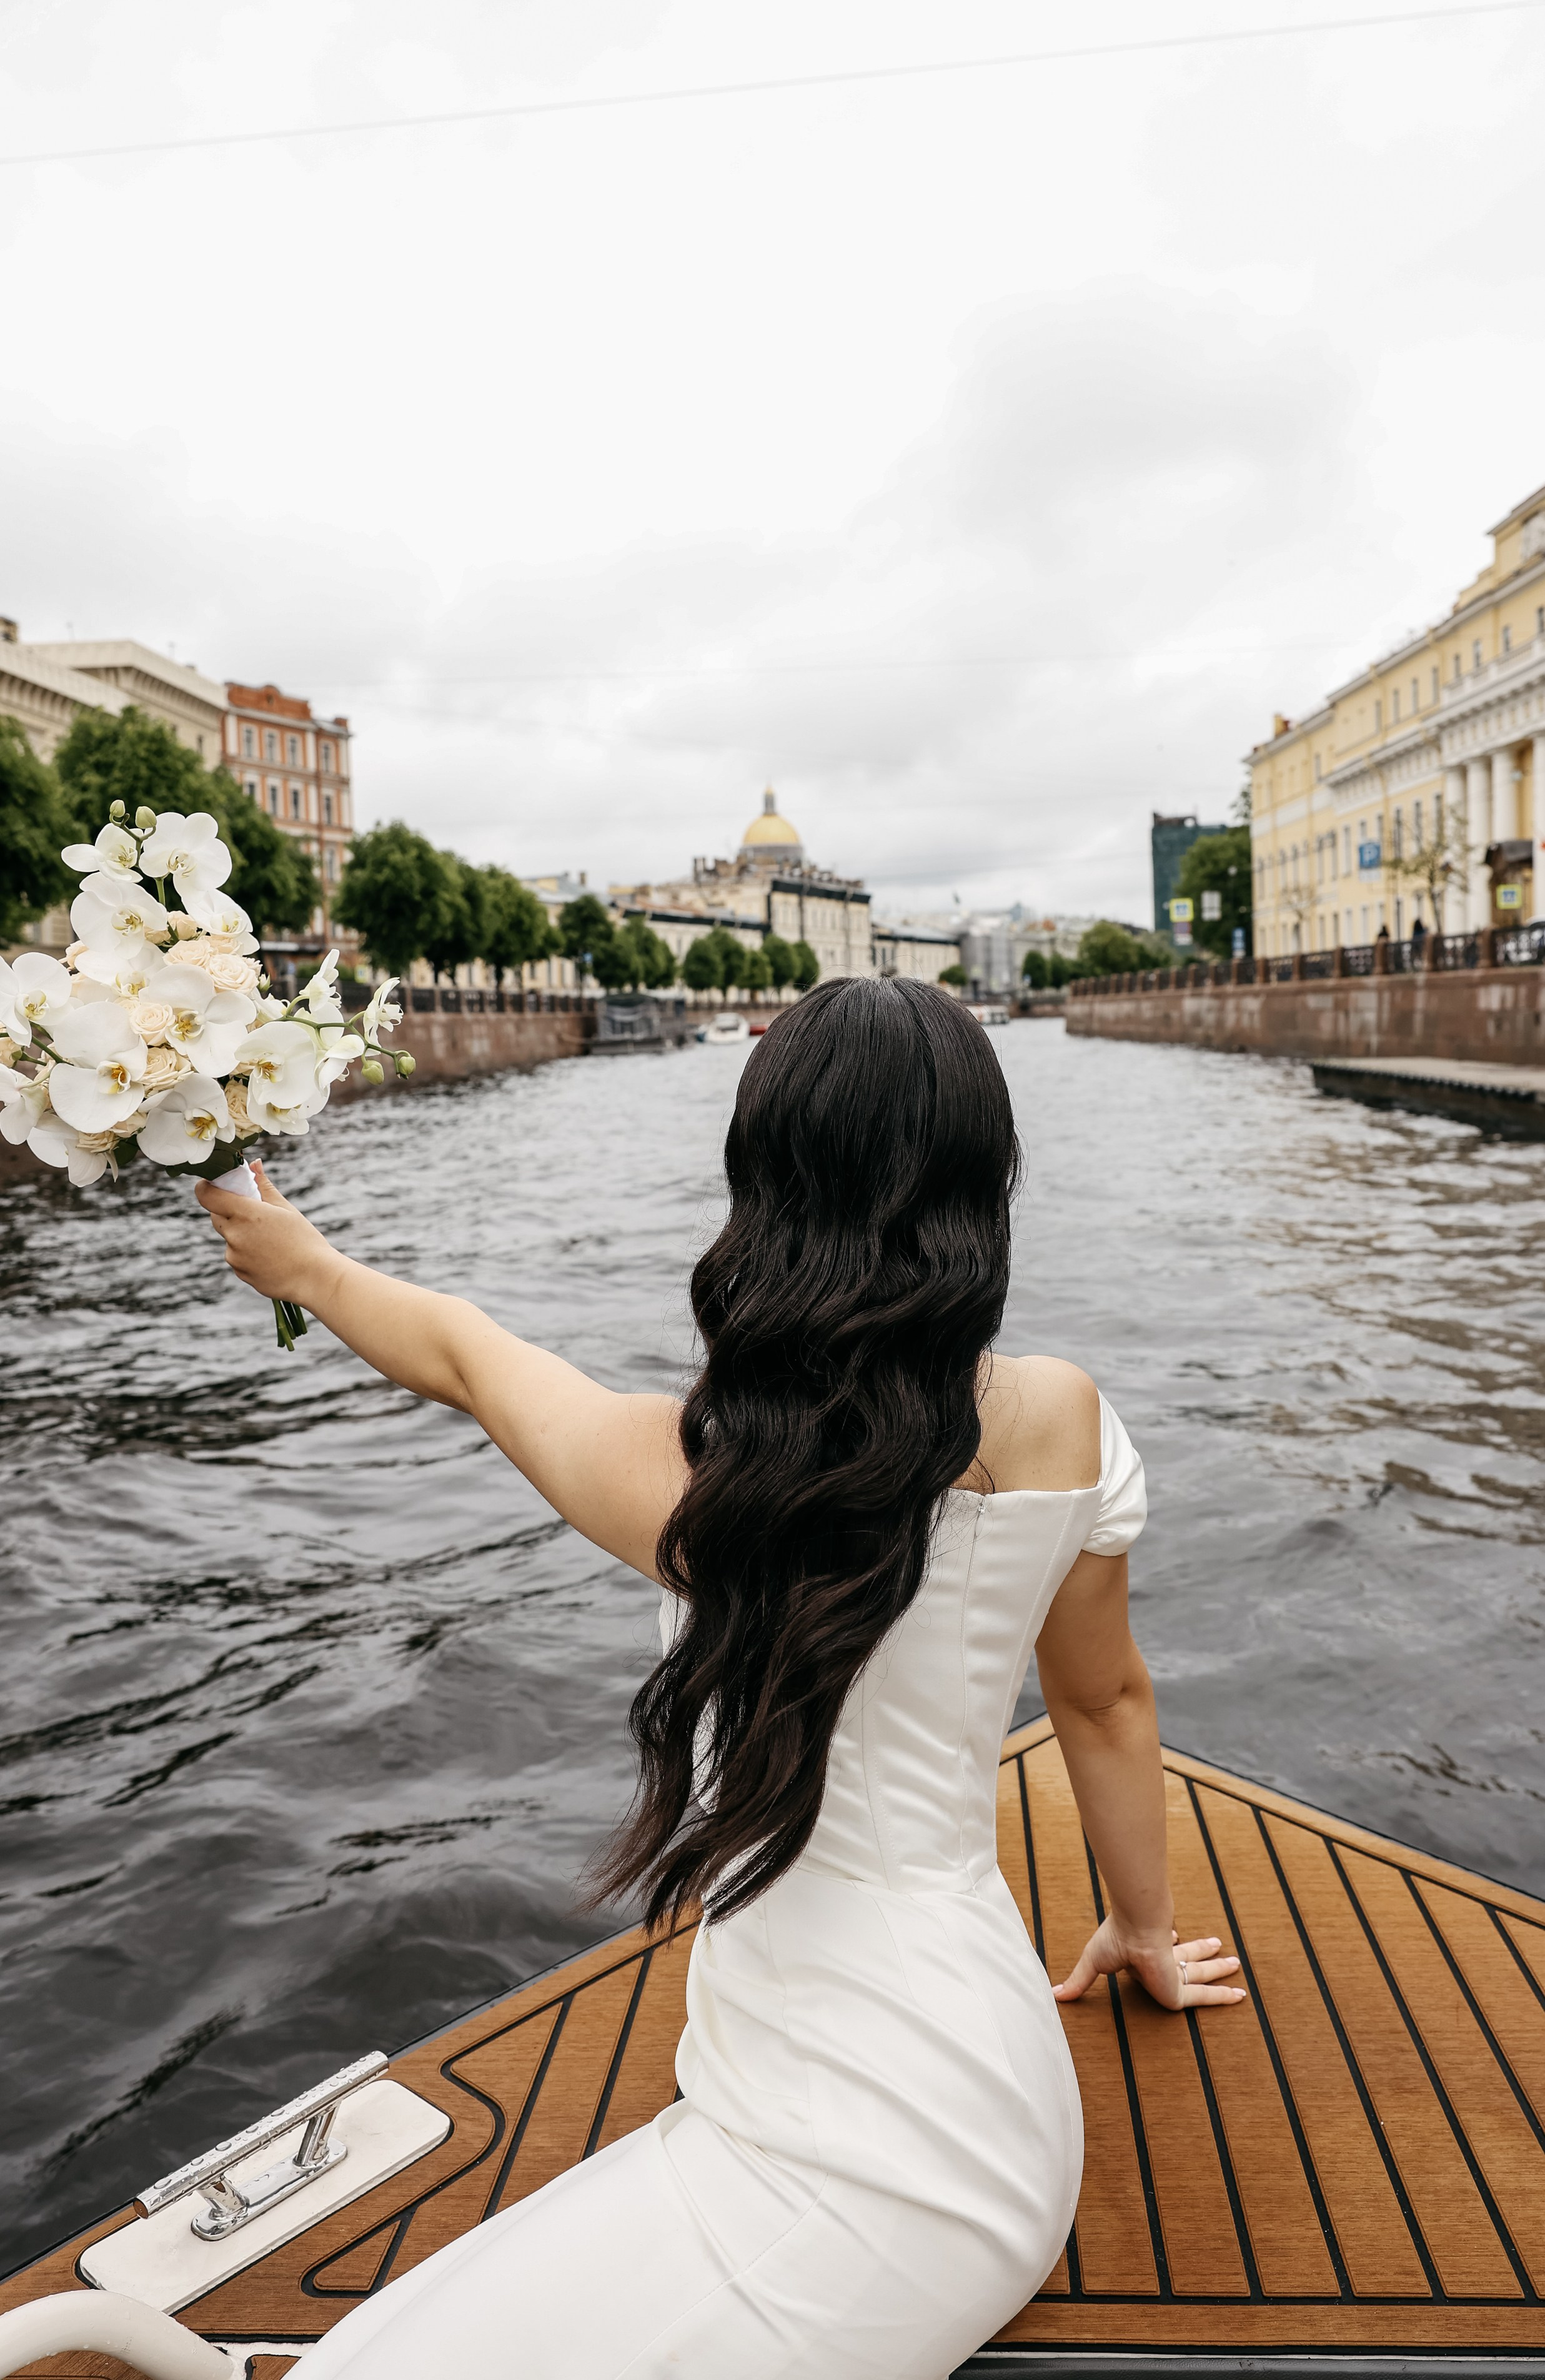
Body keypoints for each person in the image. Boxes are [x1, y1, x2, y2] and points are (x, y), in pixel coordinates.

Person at [198, 978, 1243, 2380]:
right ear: (981, 1183)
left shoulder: (703, 1478)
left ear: (762, 1183)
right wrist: (1141, 1927)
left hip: (820, 2117)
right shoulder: (1063, 1416)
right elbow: (1104, 1701)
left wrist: (304, 1261)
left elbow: (460, 1348)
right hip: (998, 2108)